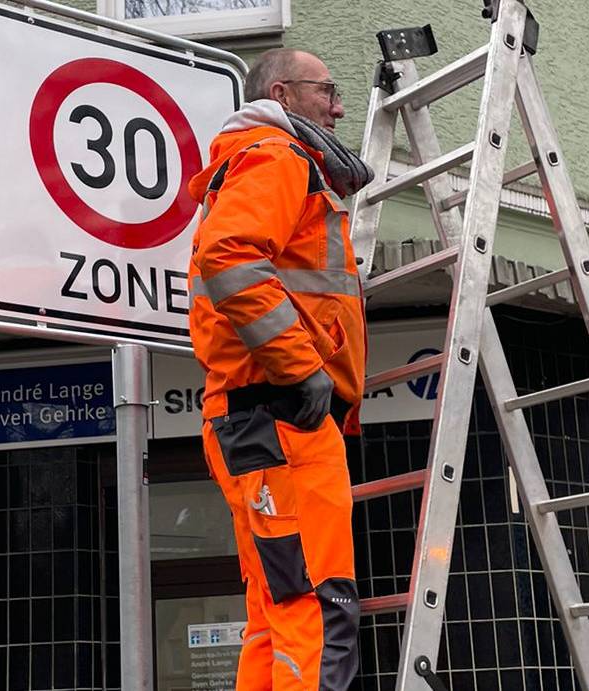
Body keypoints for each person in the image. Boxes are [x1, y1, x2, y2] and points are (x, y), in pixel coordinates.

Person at [187, 47, 373, 690]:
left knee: (277, 610)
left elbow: (232, 261)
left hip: (254, 416)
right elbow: (231, 259)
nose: (340, 106)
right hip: (281, 416)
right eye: (329, 90)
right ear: (285, 95)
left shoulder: (262, 162)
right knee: (318, 608)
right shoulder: (277, 156)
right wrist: (302, 367)